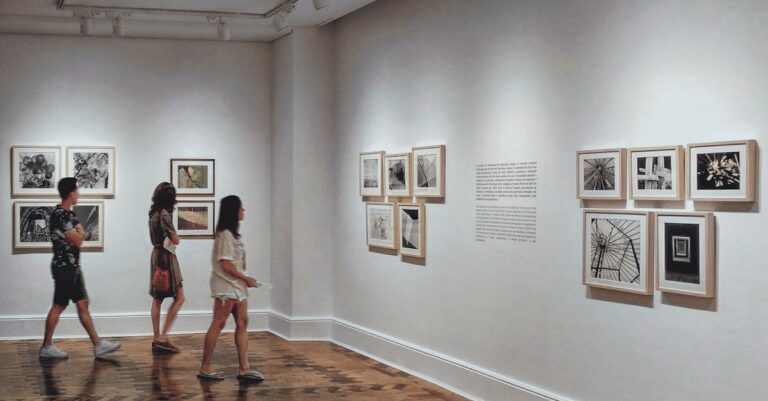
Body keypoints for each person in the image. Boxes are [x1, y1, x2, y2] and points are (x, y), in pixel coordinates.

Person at [39, 177, 121, 359]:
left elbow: (80, 235)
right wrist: (79, 234)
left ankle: (98, 345)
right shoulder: (59, 215)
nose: (78, 194)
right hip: (63, 268)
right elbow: (78, 239)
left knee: (83, 303)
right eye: (76, 191)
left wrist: (79, 234)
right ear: (70, 193)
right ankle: (46, 347)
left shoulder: (70, 215)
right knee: (58, 306)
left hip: (74, 267)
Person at [197, 195, 263, 383]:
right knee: (219, 323)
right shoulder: (225, 233)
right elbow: (225, 264)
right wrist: (245, 278)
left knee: (242, 322)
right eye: (241, 208)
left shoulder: (232, 235)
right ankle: (205, 366)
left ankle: (244, 368)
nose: (243, 211)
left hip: (237, 286)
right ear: (233, 211)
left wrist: (245, 280)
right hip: (227, 286)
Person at [148, 182, 185, 353]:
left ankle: (157, 337)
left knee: (157, 298)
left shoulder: (153, 213)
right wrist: (176, 236)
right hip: (166, 257)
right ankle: (162, 336)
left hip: (157, 254)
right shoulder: (164, 214)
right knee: (179, 297)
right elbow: (175, 239)